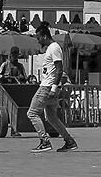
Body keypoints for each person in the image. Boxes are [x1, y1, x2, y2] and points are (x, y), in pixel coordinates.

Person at [28, 20, 78, 153]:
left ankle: (44, 141)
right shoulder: (51, 48)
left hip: (48, 86)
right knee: (51, 117)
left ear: (44, 36)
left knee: (32, 113)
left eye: (39, 38)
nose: (38, 41)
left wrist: (54, 87)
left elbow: (59, 69)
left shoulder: (54, 47)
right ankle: (69, 141)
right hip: (50, 86)